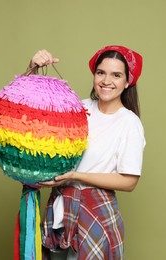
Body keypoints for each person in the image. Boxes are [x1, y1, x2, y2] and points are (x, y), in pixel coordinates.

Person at [28, 45, 145, 260]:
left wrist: (75, 176)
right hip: (61, 212)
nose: (106, 81)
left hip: (96, 215)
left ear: (128, 82)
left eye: (116, 75)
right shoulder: (78, 108)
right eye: (101, 72)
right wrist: (33, 70)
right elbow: (32, 116)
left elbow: (130, 181)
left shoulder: (129, 123)